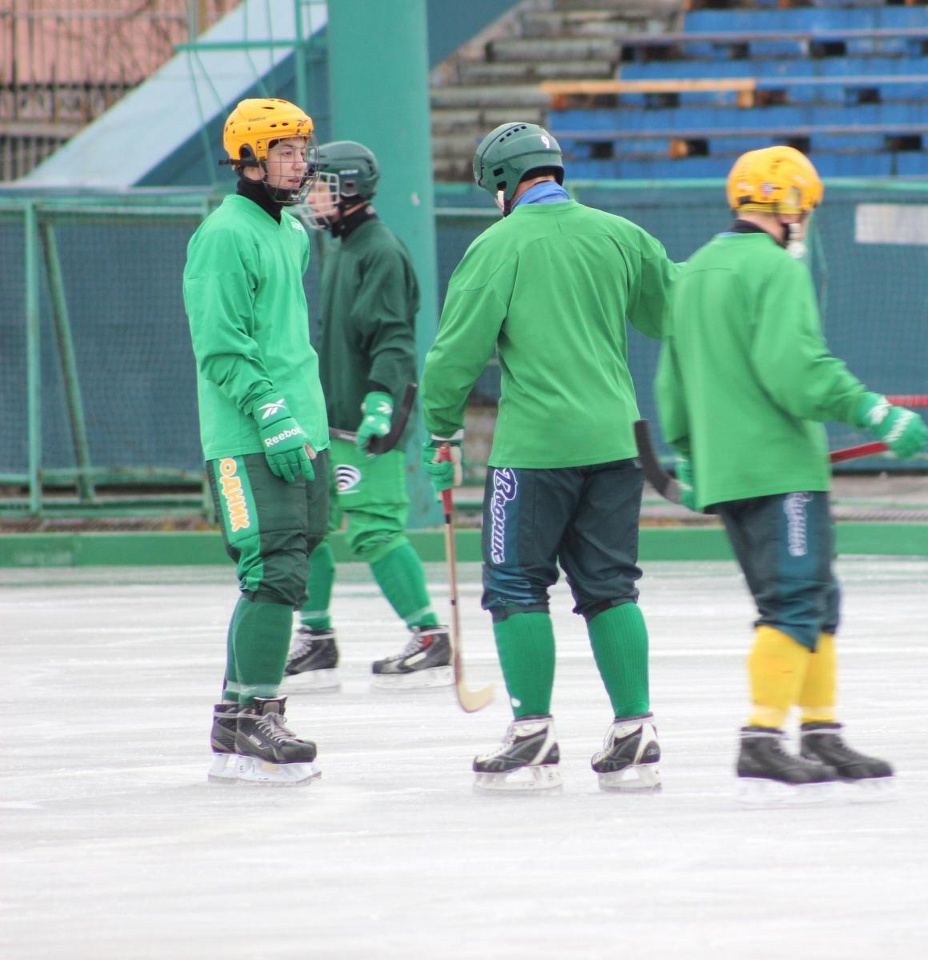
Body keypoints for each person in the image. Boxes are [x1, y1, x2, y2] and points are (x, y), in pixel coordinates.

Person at [655, 146, 928, 803]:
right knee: (797, 601)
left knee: (813, 601)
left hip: (729, 475)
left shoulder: (692, 273)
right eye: (802, 209)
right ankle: (762, 737)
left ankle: (820, 729)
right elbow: (798, 370)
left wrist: (690, 456)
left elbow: (671, 384)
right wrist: (874, 412)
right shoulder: (775, 272)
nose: (802, 222)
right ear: (786, 206)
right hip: (781, 473)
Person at [420, 122, 679, 793]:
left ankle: (532, 731)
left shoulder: (497, 246)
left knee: (515, 587)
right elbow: (672, 313)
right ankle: (636, 728)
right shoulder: (621, 235)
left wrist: (441, 429)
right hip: (618, 440)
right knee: (610, 587)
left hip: (535, 451)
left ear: (505, 184)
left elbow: (455, 353)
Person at [183, 97, 326, 785]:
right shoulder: (223, 235)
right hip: (249, 436)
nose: (299, 163)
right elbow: (220, 344)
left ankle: (236, 716)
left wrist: (307, 422)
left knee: (291, 563)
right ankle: (257, 711)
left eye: (302, 150)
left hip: (306, 428)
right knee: (272, 571)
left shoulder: (292, 233)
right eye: (285, 151)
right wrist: (270, 414)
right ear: (249, 157)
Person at [282, 139, 452, 694]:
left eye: (322, 184)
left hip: (368, 423)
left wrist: (381, 403)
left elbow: (394, 339)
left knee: (376, 531)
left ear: (349, 188)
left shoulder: (379, 250)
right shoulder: (341, 247)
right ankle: (317, 634)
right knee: (311, 529)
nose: (312, 194)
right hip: (329, 421)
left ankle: (429, 634)